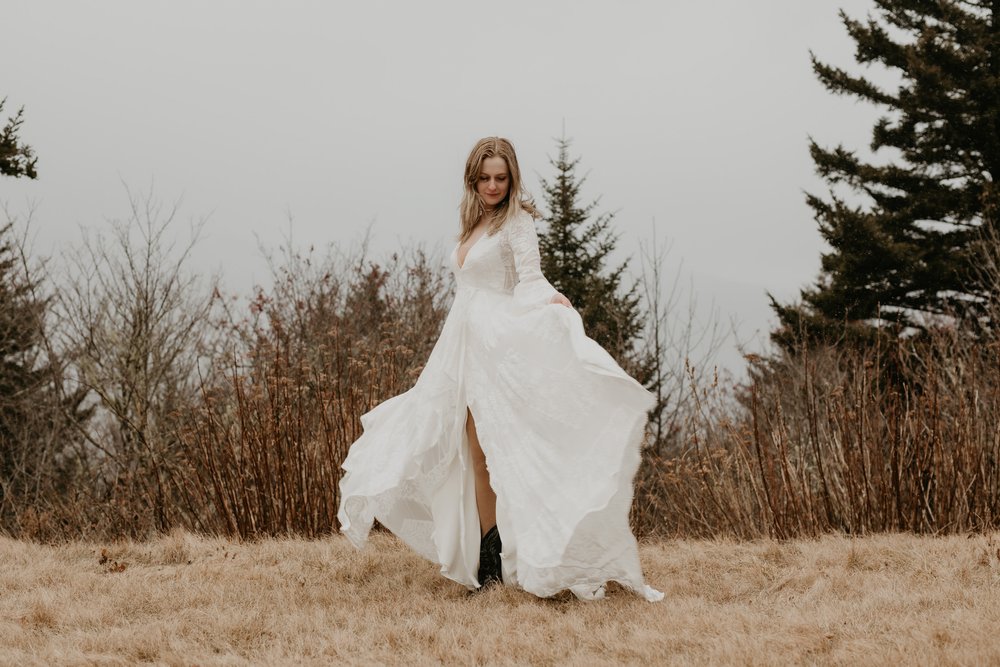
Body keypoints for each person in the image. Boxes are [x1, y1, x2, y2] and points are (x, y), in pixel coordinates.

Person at [337, 137, 663, 602]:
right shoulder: (473, 222)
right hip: (463, 344)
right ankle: (490, 564)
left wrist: (550, 302)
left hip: (498, 344)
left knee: (500, 453)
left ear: (512, 179)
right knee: (468, 455)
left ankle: (517, 559)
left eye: (501, 177)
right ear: (473, 179)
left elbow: (528, 276)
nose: (493, 185)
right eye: (485, 177)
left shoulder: (517, 221)